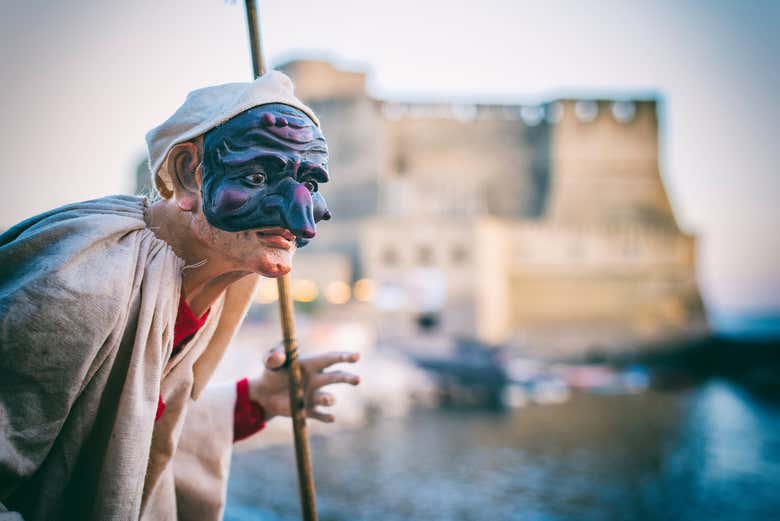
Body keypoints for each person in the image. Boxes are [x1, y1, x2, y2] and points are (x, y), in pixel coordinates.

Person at [0, 71, 360, 521]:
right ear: (190, 174)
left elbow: (137, 427)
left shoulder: (199, 278)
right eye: (256, 175)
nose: (304, 221)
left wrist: (259, 401)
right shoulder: (81, 289)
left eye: (310, 184)